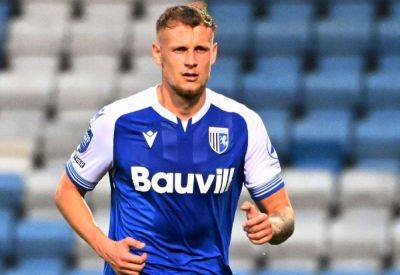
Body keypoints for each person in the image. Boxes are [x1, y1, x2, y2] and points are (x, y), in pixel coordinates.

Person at [54, 1, 294, 274]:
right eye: (180, 50)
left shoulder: (242, 124)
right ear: (158, 53)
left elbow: (284, 214)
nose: (191, 61)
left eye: (200, 49)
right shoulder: (118, 120)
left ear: (213, 53)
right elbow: (67, 191)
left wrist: (271, 226)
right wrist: (104, 246)